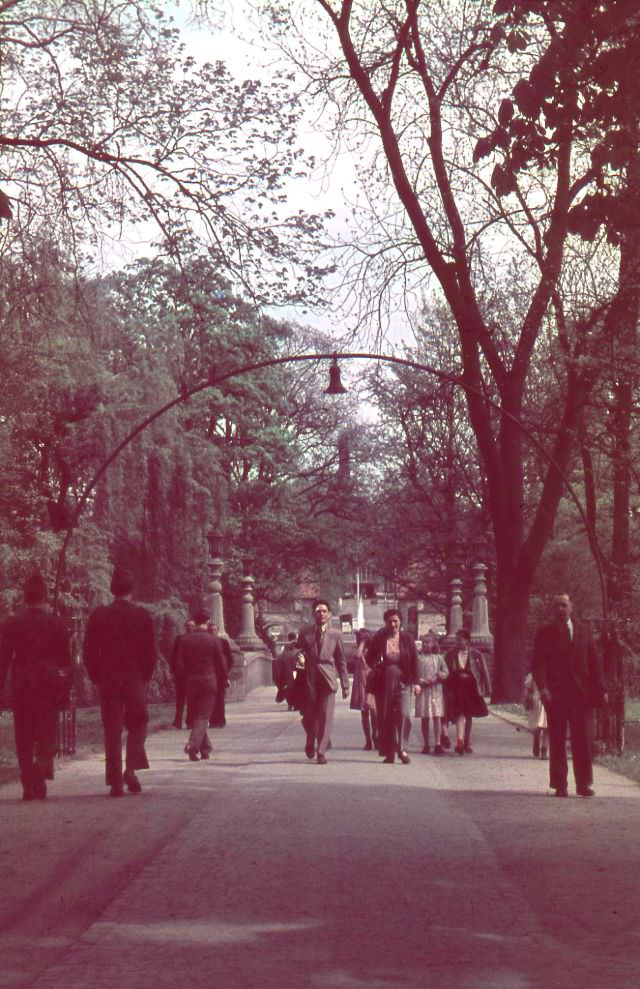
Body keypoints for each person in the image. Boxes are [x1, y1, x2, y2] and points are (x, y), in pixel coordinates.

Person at [83, 566, 157, 797]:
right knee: (139, 722)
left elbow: (89, 651)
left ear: (112, 589)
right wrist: (145, 675)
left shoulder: (99, 615)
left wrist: (96, 675)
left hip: (109, 679)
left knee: (112, 728)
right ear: (131, 590)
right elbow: (150, 652)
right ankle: (131, 768)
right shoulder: (142, 616)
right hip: (134, 677)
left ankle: (115, 780)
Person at [0, 574, 72, 801]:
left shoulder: (12, 622)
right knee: (47, 730)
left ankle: (28, 780)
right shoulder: (56, 623)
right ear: (44, 595)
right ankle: (40, 767)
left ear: (25, 596)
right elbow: (65, 659)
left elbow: (3, 659)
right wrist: (66, 686)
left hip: (22, 682)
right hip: (48, 683)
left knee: (24, 733)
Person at [532, 592, 607, 798]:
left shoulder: (584, 631)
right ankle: (560, 784)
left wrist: (601, 689)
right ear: (552, 608)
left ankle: (583, 784)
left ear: (571, 607)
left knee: (582, 740)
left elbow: (594, 661)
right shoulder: (545, 633)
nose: (560, 609)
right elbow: (538, 664)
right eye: (556, 605)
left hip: (581, 695)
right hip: (555, 695)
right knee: (556, 739)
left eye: (564, 605)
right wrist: (544, 687)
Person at [295, 599, 349, 765]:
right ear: (313, 614)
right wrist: (296, 677)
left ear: (330, 614)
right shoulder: (305, 632)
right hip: (309, 678)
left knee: (325, 716)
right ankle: (310, 738)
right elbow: (297, 655)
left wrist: (345, 684)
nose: (321, 614)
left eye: (324, 611)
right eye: (318, 611)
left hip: (327, 678)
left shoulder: (335, 634)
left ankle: (321, 751)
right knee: (309, 716)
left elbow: (341, 660)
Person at [367, 608, 420, 764]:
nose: (393, 624)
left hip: (403, 681)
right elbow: (369, 658)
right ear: (385, 623)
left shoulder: (407, 639)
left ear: (400, 622)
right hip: (384, 682)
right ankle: (389, 751)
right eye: (390, 621)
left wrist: (416, 683)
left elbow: (414, 661)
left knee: (405, 715)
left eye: (396, 621)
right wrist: (377, 666)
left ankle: (402, 748)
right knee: (385, 717)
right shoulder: (379, 638)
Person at [177, 611, 226, 760]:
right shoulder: (213, 640)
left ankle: (206, 748)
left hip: (191, 681)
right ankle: (193, 744)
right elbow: (221, 664)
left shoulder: (185, 640)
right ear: (208, 621)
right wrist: (223, 679)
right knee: (204, 715)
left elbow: (180, 664)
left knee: (198, 715)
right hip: (209, 680)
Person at [444, 628, 491, 755]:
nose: (457, 643)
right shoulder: (451, 654)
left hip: (471, 687)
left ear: (467, 641)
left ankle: (467, 742)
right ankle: (459, 739)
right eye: (456, 640)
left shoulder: (476, 655)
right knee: (458, 712)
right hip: (456, 686)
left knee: (469, 714)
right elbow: (446, 669)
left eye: (460, 640)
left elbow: (484, 672)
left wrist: (487, 688)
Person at [415, 631, 449, 754]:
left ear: (433, 644)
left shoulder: (439, 658)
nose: (425, 645)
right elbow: (413, 673)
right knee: (425, 717)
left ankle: (438, 743)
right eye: (423, 643)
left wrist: (440, 676)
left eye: (427, 643)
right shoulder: (418, 658)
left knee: (437, 716)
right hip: (423, 690)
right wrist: (420, 681)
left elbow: (446, 671)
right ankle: (426, 744)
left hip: (436, 690)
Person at [349, 628, 377, 750]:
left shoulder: (373, 652)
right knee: (364, 714)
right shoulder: (359, 652)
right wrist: (362, 642)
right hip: (361, 684)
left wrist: (365, 640)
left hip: (371, 683)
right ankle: (368, 740)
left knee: (374, 713)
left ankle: (375, 736)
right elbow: (357, 656)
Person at [169, 619, 195, 729]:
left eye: (192, 626)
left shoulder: (196, 639)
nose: (190, 628)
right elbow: (174, 656)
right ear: (185, 627)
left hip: (192, 673)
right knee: (180, 698)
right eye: (188, 626)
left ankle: (190, 721)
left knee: (191, 698)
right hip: (181, 673)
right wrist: (173, 670)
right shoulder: (179, 639)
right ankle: (178, 720)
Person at [207, 621, 233, 728]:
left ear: (217, 631)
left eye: (214, 630)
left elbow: (229, 659)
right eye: (211, 630)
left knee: (220, 698)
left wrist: (226, 672)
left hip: (220, 674)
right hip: (211, 674)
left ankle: (220, 720)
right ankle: (213, 720)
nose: (213, 632)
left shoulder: (223, 643)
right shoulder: (207, 642)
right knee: (211, 698)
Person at [523, 670, 548, 759]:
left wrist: (527, 697)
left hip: (539, 700)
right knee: (546, 727)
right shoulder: (551, 672)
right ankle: (543, 749)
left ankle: (540, 748)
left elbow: (527, 688)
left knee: (540, 726)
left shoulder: (534, 674)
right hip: (544, 700)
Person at [274, 632, 299, 707]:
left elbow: (280, 661)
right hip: (296, 671)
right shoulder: (299, 647)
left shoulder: (285, 649)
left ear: (288, 638)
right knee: (296, 685)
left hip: (287, 672)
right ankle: (295, 703)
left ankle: (290, 703)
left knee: (288, 686)